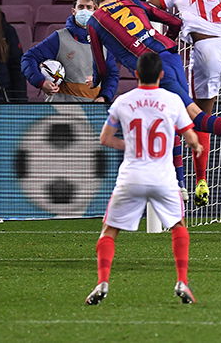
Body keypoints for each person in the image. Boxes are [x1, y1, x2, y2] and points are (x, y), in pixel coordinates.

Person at [86, 0, 221, 191]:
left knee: (194, 117)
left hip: (154, 67)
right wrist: (166, 41)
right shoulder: (133, 4)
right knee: (174, 117)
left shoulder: (95, 21)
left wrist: (95, 81)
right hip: (171, 56)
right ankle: (180, 185)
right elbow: (175, 22)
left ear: (97, 4)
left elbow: (101, 63)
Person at [85, 52, 203, 305]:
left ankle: (102, 281)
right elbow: (192, 139)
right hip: (163, 178)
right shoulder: (173, 101)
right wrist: (196, 147)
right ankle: (182, 280)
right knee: (178, 226)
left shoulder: (122, 102)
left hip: (132, 177)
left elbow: (104, 139)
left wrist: (130, 146)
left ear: (136, 74)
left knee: (109, 230)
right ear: (161, 75)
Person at [147, 0, 221, 207]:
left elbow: (147, 6)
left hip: (206, 49)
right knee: (204, 116)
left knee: (194, 117)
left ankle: (183, 180)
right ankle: (201, 179)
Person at [21, 0, 118, 102]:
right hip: (60, 113)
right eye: (81, 7)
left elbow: (111, 75)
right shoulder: (59, 38)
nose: (85, 11)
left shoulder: (105, 43)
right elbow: (28, 58)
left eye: (89, 7)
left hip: (92, 114)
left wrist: (104, 97)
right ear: (73, 11)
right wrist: (41, 82)